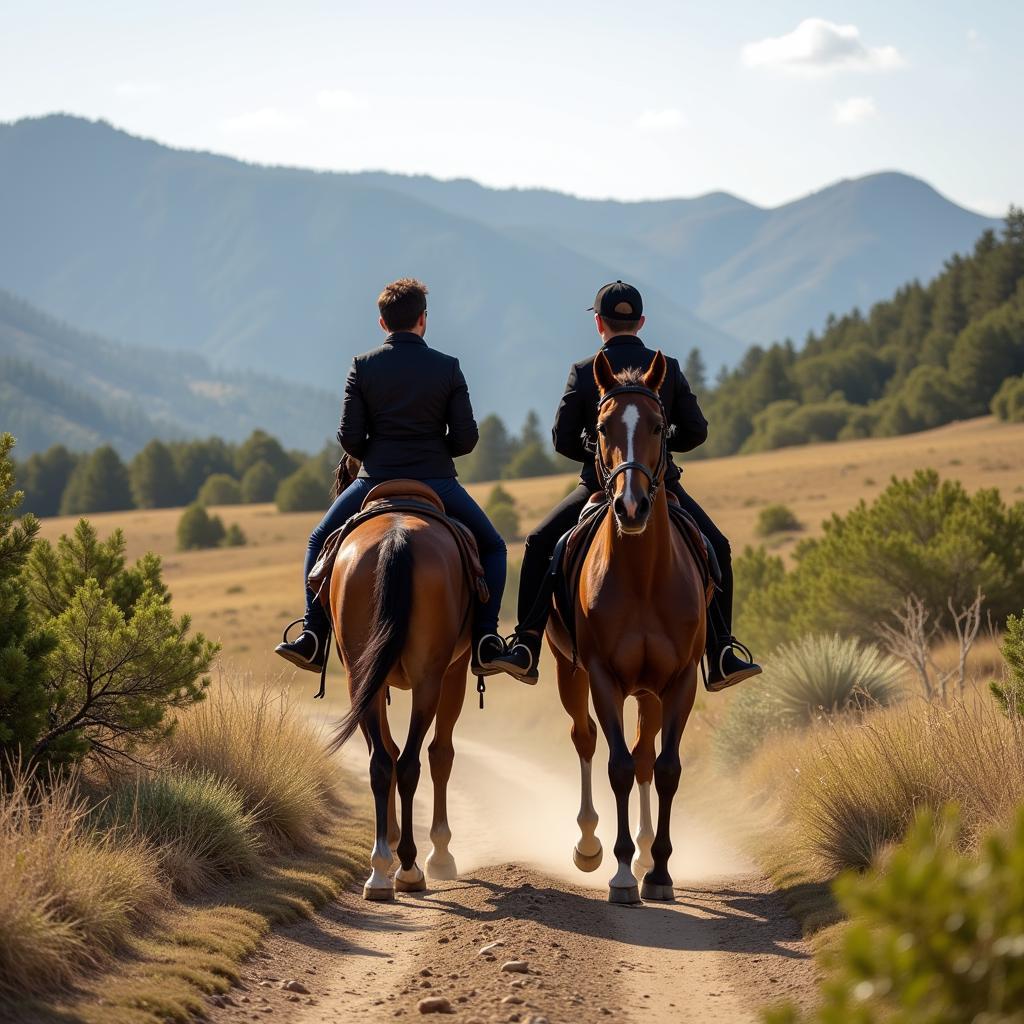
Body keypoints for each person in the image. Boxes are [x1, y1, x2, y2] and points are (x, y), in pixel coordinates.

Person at [498, 281, 762, 690]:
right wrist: (657, 443)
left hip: (598, 488)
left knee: (537, 543)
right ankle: (721, 652)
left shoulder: (585, 371)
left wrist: (604, 456)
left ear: (599, 323)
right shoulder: (667, 367)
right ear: (640, 322)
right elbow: (696, 432)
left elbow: (561, 439)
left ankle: (526, 645)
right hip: (663, 486)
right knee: (717, 548)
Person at [275, 277, 517, 680]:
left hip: (374, 480)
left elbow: (349, 437)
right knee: (493, 548)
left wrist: (380, 449)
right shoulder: (447, 367)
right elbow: (467, 439)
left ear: (382, 323)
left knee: (318, 540)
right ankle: (487, 640)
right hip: (437, 481)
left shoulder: (362, 366)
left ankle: (312, 637)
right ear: (423, 320)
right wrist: (434, 450)